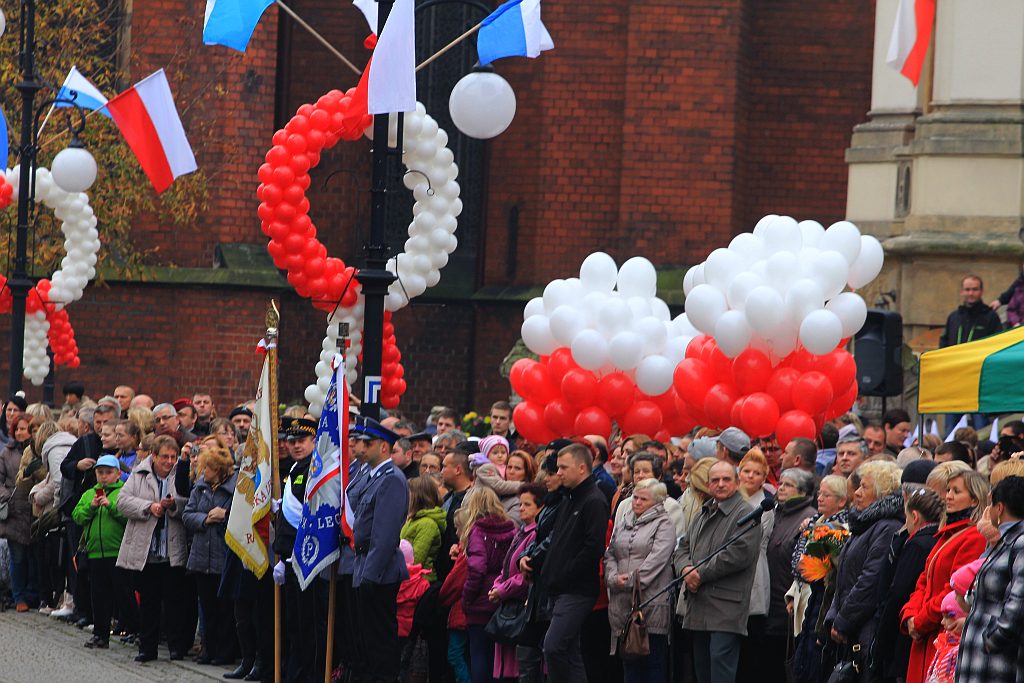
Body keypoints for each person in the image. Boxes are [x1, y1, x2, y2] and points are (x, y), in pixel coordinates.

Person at [675, 460, 762, 683]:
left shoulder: (747, 514)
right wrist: (686, 569)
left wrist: (698, 574)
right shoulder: (703, 513)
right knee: (702, 671)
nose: (721, 484)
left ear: (737, 482)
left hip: (726, 609)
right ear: (708, 484)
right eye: (715, 480)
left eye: (726, 479)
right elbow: (682, 547)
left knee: (721, 674)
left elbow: (737, 555)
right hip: (699, 604)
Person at [901, 470, 988, 683]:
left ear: (975, 499)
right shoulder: (947, 533)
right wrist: (910, 614)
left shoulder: (973, 536)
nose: (948, 496)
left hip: (943, 630)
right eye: (948, 490)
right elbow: (924, 579)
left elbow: (954, 590)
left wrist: (919, 621)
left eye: (956, 492)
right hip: (926, 633)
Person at [824, 461, 905, 678]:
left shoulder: (887, 527)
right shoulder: (865, 524)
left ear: (882, 493)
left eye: (865, 488)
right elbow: (844, 577)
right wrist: (834, 617)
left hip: (866, 630)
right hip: (852, 628)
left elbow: (870, 580)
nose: (857, 493)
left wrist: (843, 621)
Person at [538, 443, 609, 683]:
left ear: (581, 468)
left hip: (576, 589)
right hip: (558, 587)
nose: (558, 473)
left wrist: (564, 575)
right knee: (571, 652)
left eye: (563, 468)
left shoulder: (594, 501)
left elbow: (593, 549)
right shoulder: (568, 497)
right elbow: (557, 541)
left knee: (554, 646)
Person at [116, 435, 191, 662]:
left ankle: (177, 647)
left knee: (174, 602)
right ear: (154, 456)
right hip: (147, 550)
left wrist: (173, 506)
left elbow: (188, 500)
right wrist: (150, 506)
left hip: (172, 547)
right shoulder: (140, 474)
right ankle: (147, 647)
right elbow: (123, 501)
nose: (169, 462)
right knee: (149, 601)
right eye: (164, 457)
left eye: (173, 457)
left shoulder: (181, 473)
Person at [350, 416, 409, 683]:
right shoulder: (371, 476)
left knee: (379, 639)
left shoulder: (391, 479)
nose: (361, 448)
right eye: (360, 441)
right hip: (363, 563)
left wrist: (370, 575)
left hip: (379, 571)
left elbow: (384, 535)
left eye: (368, 443)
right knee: (364, 637)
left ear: (384, 447)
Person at [604, 478, 676, 683]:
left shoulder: (664, 524)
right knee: (629, 664)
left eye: (643, 499)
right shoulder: (624, 521)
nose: (636, 502)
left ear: (657, 501)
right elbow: (610, 554)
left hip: (650, 604)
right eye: (635, 497)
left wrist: (629, 581)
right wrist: (612, 577)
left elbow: (657, 560)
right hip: (622, 604)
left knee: (651, 664)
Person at [870, 485, 944, 683]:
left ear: (915, 516)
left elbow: (898, 592)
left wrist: (880, 644)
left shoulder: (917, 544)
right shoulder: (938, 540)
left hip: (904, 635)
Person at [955, 475, 1024, 683]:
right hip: (980, 661)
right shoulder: (1005, 541)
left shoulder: (1019, 542)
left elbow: (1019, 600)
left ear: (999, 508)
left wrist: (991, 640)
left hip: (997, 663)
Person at [71, 454, 138, 648]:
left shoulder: (123, 493)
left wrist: (111, 507)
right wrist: (91, 508)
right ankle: (100, 634)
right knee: (99, 596)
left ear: (118, 474)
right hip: (95, 553)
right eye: (100, 473)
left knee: (124, 593)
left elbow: (128, 518)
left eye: (108, 473)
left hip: (117, 551)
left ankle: (136, 629)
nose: (104, 476)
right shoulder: (89, 494)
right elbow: (77, 516)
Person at [789, 474, 850, 683]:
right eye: (819, 494)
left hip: (823, 600)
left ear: (842, 501)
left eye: (827, 495)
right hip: (809, 599)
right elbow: (799, 560)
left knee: (815, 661)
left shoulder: (842, 528)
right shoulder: (815, 521)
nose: (820, 498)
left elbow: (825, 569)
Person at [182, 441, 236, 666]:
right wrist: (205, 519)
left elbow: (239, 516)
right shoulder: (200, 486)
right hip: (201, 555)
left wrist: (224, 514)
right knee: (207, 606)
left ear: (220, 470)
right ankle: (208, 648)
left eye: (208, 468)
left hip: (223, 556)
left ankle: (225, 651)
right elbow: (187, 514)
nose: (203, 472)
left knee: (225, 608)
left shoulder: (233, 489)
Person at [763, 468, 817, 683]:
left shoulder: (808, 518)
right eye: (780, 483)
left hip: (787, 610)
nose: (781, 488)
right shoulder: (775, 513)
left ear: (802, 492)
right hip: (768, 607)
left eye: (788, 485)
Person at [488, 482, 545, 681]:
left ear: (540, 507)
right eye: (520, 504)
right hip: (509, 604)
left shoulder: (536, 533)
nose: (521, 508)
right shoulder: (521, 532)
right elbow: (506, 567)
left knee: (520, 669)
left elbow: (525, 575)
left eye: (527, 505)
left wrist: (502, 590)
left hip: (521, 607)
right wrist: (497, 586)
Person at [461, 487, 515, 683]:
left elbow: (477, 568)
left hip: (481, 598)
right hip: (502, 595)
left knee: (478, 653)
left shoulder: (477, 531)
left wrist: (466, 598)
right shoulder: (511, 529)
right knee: (498, 657)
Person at [0, 413, 36, 611]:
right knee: (18, 556)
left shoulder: (38, 451)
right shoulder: (7, 452)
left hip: (34, 508)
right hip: (14, 511)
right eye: (18, 429)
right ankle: (18, 595)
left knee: (34, 557)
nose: (21, 432)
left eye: (25, 428)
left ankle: (33, 594)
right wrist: (5, 496)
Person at [401, 476, 447, 583]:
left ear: (418, 497)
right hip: (408, 577)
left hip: (420, 582)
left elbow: (416, 559)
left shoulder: (427, 523)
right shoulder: (413, 519)